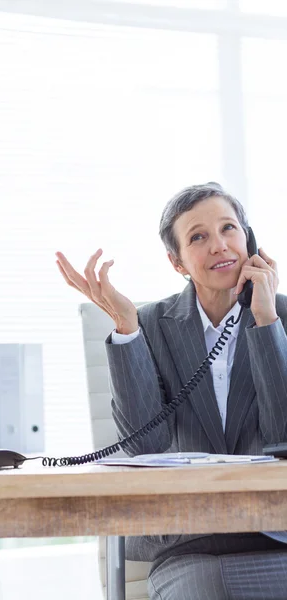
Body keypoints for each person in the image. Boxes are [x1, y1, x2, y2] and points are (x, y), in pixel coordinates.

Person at [56, 182, 287, 600]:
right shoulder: (151, 324)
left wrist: (266, 321)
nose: (219, 245)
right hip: (188, 543)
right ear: (176, 261)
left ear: (249, 240)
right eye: (198, 236)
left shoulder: (280, 315)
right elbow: (146, 443)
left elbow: (283, 437)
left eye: (229, 229)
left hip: (277, 537)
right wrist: (128, 330)